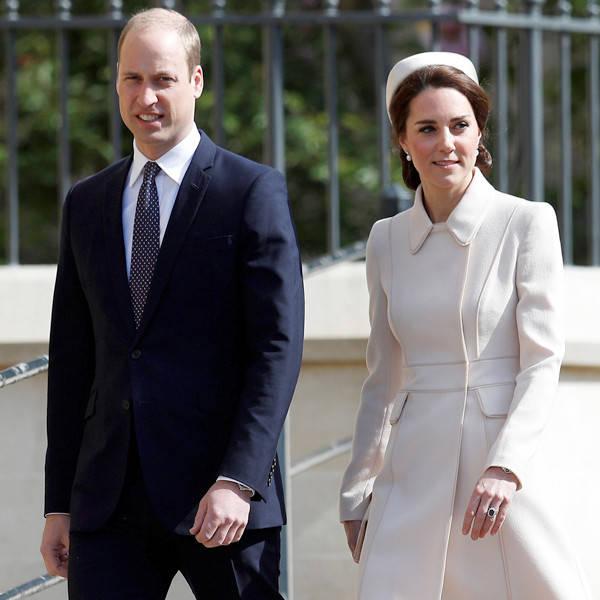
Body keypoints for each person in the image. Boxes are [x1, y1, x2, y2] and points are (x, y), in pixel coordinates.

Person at [39, 8, 304, 599]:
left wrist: (239, 478)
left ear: (197, 81)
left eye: (163, 79)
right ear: (116, 83)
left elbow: (277, 349)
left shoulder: (250, 190)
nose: (147, 97)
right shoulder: (86, 203)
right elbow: (73, 360)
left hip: (222, 499)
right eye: (133, 79)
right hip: (110, 504)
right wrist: (59, 503)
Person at [339, 52, 589, 599]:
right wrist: (357, 486)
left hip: (500, 478)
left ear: (479, 133)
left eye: (460, 126)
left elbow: (542, 362)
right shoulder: (384, 239)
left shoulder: (526, 222)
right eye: (426, 129)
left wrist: (506, 467)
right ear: (403, 141)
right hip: (410, 474)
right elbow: (382, 379)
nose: (446, 143)